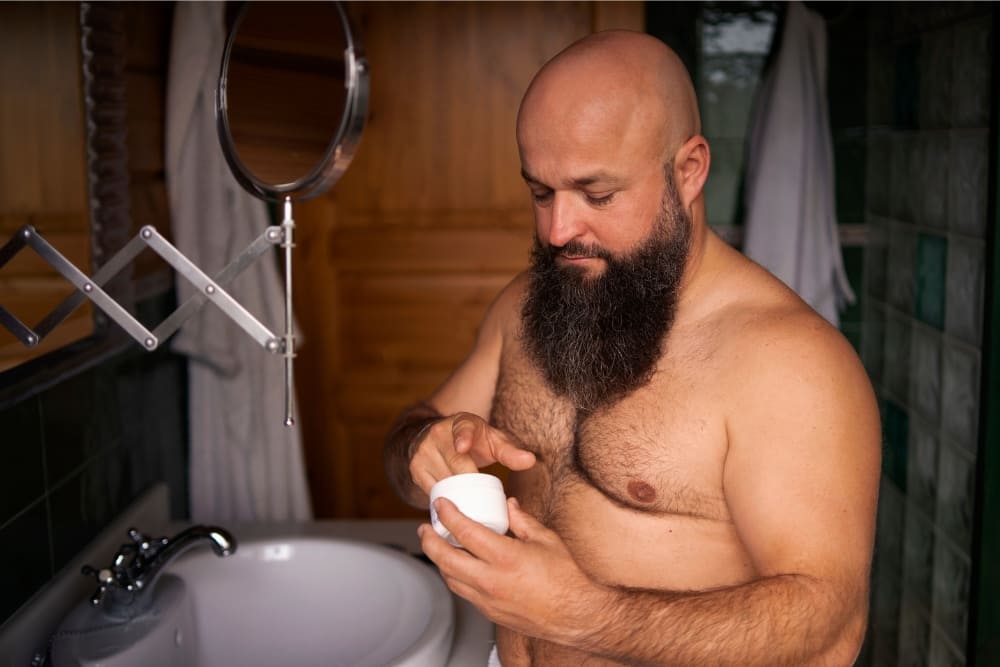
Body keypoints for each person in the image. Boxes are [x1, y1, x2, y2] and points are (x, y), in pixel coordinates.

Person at [383, 29, 881, 667]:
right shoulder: (526, 306)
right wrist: (421, 445)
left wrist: (580, 615)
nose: (559, 230)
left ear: (689, 171)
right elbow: (407, 452)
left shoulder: (791, 364)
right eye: (541, 192)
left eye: (597, 195)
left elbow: (828, 625)